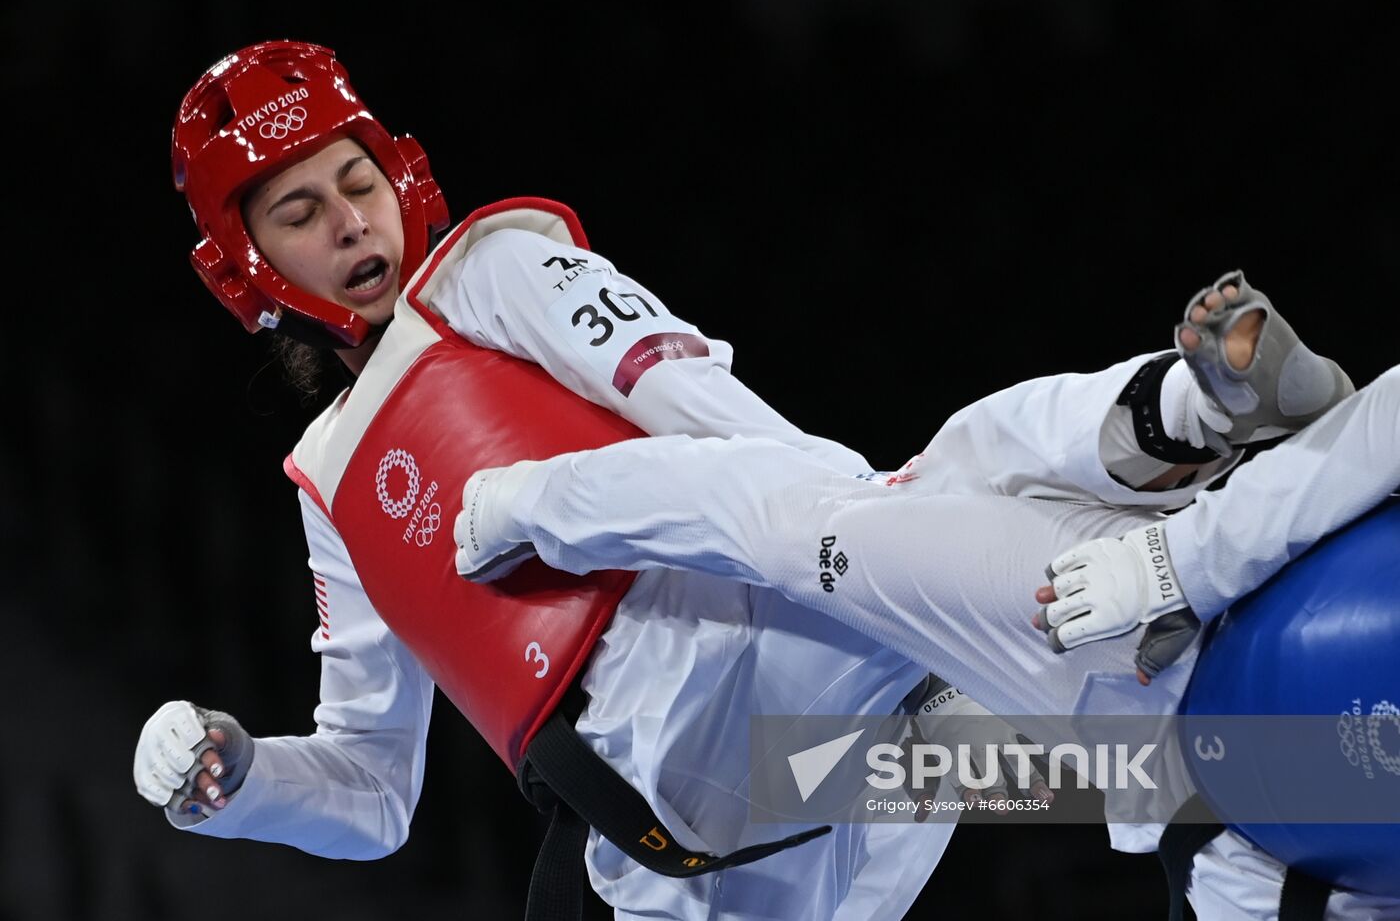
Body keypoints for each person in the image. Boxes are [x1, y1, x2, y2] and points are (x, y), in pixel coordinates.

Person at [134, 40, 1340, 920]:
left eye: (356, 183)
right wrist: (235, 781)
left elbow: (728, 428)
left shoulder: (492, 274)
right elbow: (366, 796)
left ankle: (1193, 440)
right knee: (1055, 736)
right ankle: (1174, 443)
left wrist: (876, 554)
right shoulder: (328, 487)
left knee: (955, 516)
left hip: (761, 654)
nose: (351, 223)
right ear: (245, 266)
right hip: (704, 819)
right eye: (300, 211)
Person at [452, 284, 1397, 920]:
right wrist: (1178, 564)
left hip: (1162, 741)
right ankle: (1184, 414)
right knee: (810, 526)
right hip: (1150, 636)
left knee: (940, 491)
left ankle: (1180, 411)